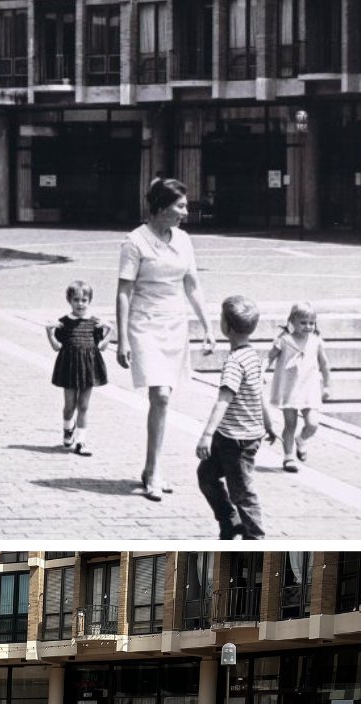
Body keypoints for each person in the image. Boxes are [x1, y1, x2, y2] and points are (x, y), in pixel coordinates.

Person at [117, 177, 216, 501]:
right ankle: (154, 471)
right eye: (180, 206)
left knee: (165, 396)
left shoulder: (184, 240)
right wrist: (122, 339)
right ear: (161, 208)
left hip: (174, 323)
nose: (186, 212)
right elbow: (123, 292)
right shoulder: (135, 242)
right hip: (144, 324)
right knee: (159, 394)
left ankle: (151, 468)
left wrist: (207, 327)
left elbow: (193, 285)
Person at [196, 295, 277, 540]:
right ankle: (229, 521)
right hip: (230, 436)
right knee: (207, 476)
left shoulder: (235, 362)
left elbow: (224, 400)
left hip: (238, 441)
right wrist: (269, 424)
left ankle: (256, 538)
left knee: (243, 492)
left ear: (226, 327)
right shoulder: (253, 357)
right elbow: (259, 394)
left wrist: (206, 435)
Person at [45, 279, 112, 456]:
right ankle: (68, 429)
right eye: (76, 300)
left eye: (84, 300)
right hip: (69, 367)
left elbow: (102, 347)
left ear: (89, 301)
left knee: (83, 405)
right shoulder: (64, 323)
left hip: (88, 368)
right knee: (69, 405)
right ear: (69, 301)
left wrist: (109, 332)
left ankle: (81, 441)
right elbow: (56, 347)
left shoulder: (95, 323)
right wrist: (49, 332)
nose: (80, 304)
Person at [267, 300, 332, 472]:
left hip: (309, 389)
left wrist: (327, 386)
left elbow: (324, 365)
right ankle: (288, 457)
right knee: (290, 424)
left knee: (313, 424)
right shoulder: (284, 340)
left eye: (311, 323)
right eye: (303, 322)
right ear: (292, 321)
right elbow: (270, 357)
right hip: (289, 389)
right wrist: (260, 372)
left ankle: (301, 440)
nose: (308, 326)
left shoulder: (316, 341)